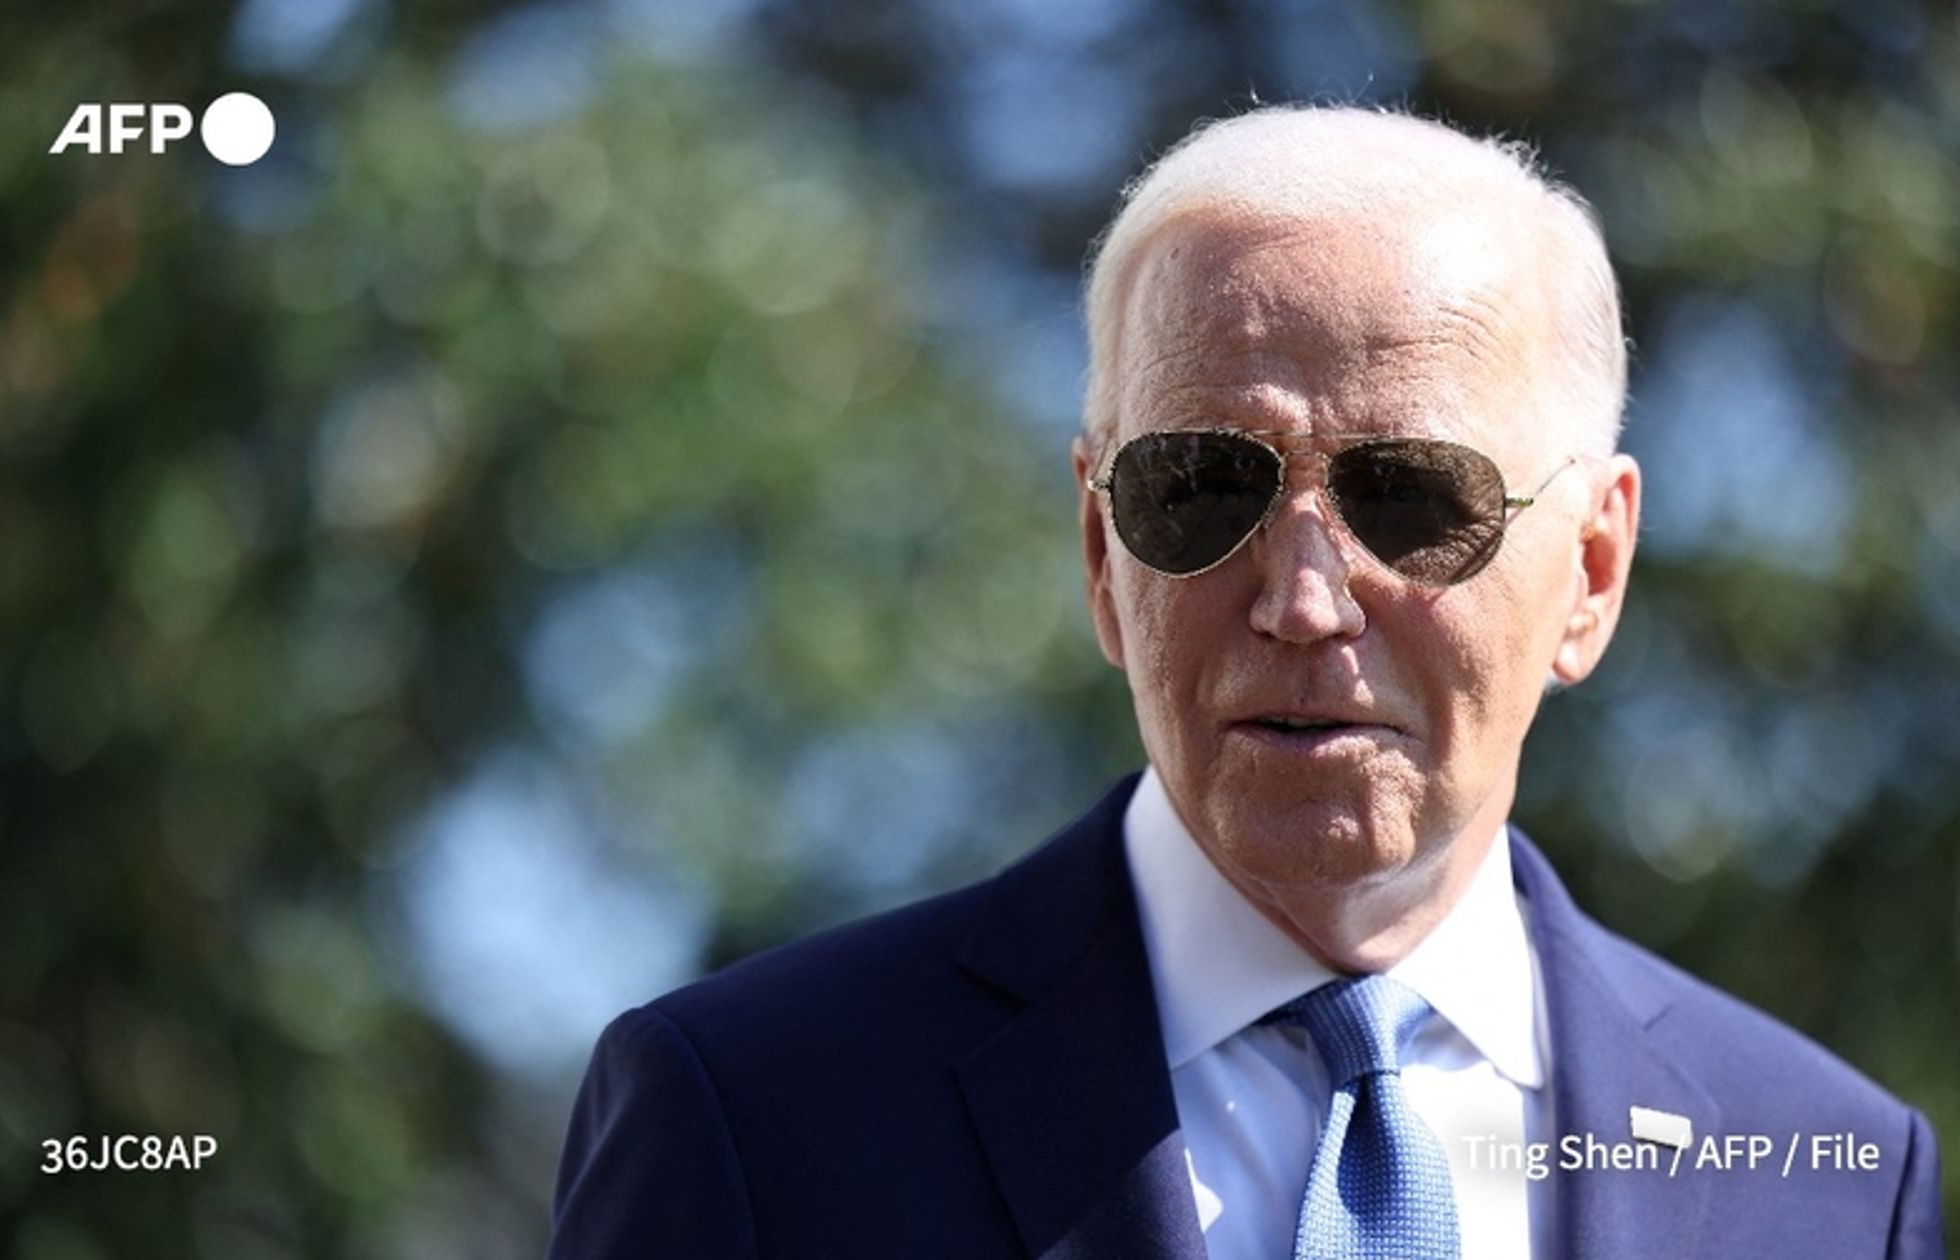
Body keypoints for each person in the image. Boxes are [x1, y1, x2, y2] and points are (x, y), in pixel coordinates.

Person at [546, 105, 1945, 1258]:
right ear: (1102, 554)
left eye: (1411, 496)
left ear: (1590, 570)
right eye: (1203, 487)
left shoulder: (1831, 1183)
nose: (1300, 600)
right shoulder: (758, 1122)